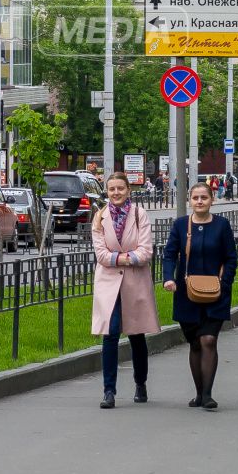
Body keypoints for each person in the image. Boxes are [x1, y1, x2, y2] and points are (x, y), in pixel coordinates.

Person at [162, 180, 238, 410]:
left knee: (209, 339)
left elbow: (231, 258)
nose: (199, 202)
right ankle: (198, 393)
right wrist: (169, 278)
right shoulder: (180, 225)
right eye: (195, 198)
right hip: (187, 294)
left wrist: (224, 284)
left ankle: (207, 395)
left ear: (211, 200)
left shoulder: (222, 225)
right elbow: (169, 255)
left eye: (204, 198)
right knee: (195, 343)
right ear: (190, 200)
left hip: (216, 293)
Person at [90, 174, 156, 409]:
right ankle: (109, 391)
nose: (115, 193)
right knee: (111, 333)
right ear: (106, 192)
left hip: (135, 282)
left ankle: (141, 383)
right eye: (111, 189)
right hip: (108, 284)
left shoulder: (139, 215)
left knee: (136, 334)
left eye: (120, 188)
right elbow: (101, 256)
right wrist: (127, 257)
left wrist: (118, 258)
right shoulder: (100, 217)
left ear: (129, 190)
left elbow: (146, 251)